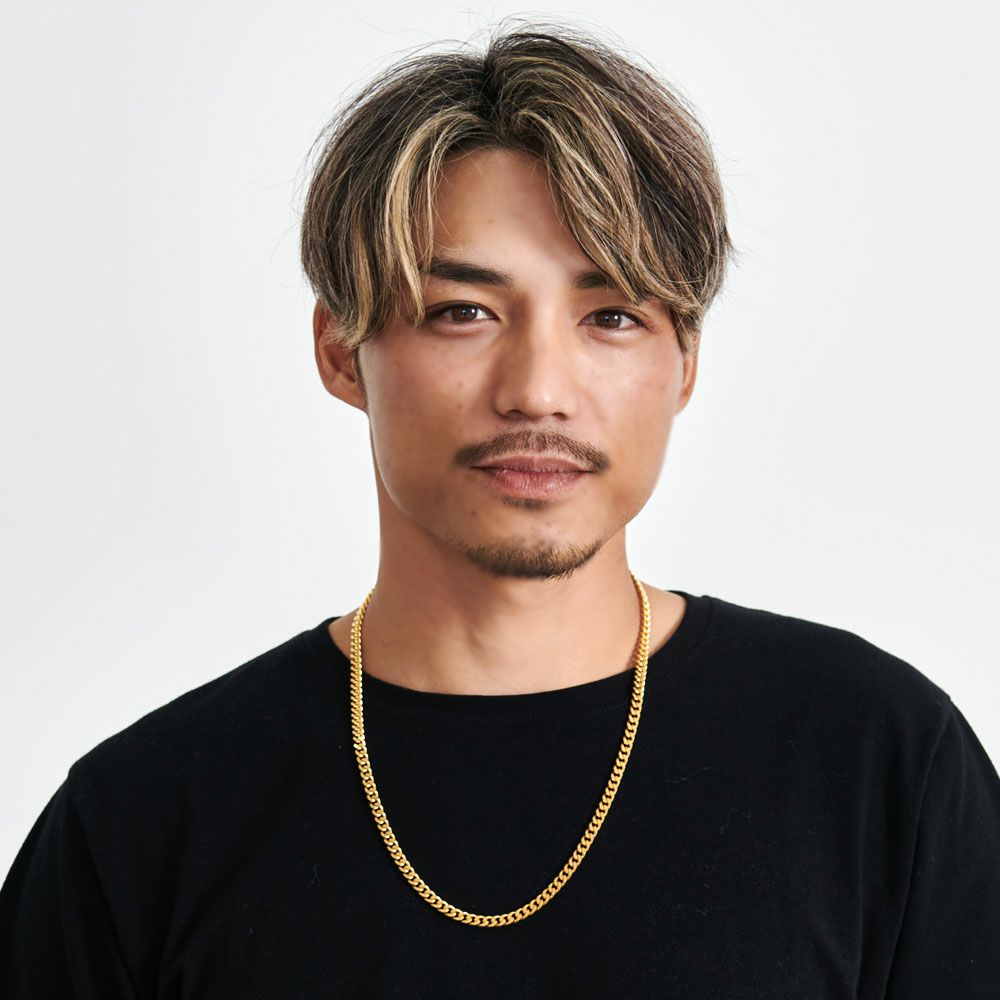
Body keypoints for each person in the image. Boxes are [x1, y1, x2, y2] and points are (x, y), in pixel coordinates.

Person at [3, 18, 999, 999]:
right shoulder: (144, 821)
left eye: (612, 316)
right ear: (342, 351)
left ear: (684, 364)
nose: (538, 390)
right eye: (464, 312)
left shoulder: (876, 761)